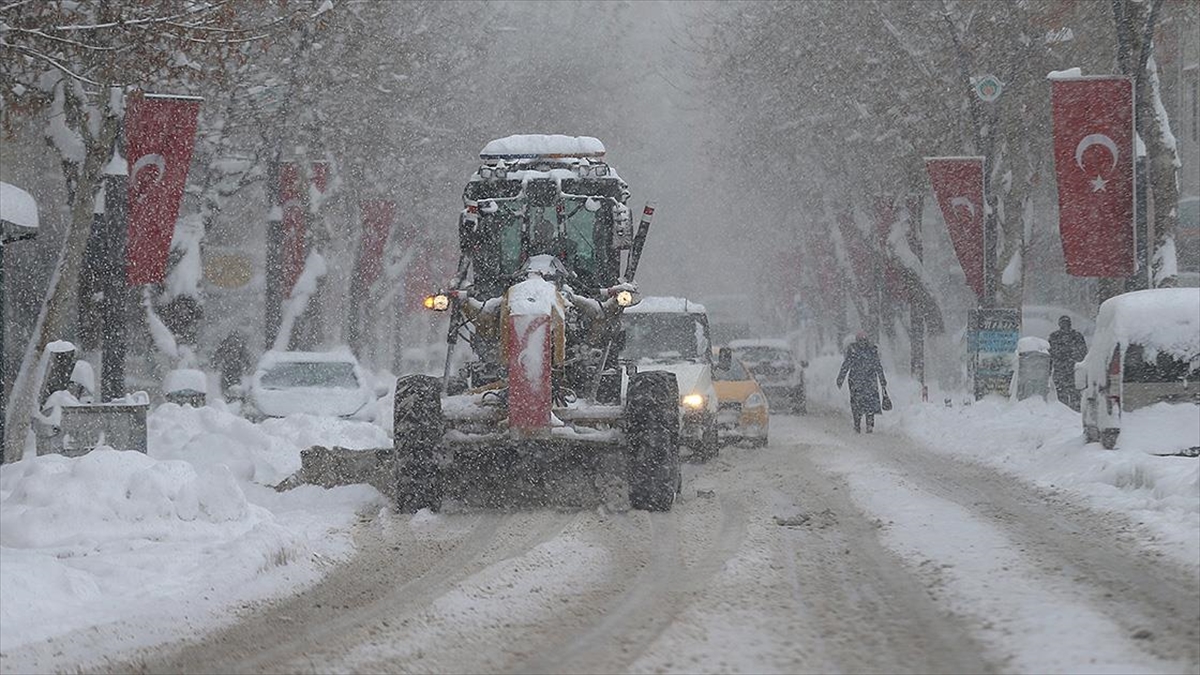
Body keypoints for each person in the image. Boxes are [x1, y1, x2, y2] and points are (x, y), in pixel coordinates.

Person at [836, 332, 888, 433]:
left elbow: (846, 365)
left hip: (857, 382)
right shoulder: (871, 351)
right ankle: (867, 425)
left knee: (858, 404)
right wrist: (882, 381)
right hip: (867, 382)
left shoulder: (854, 350)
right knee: (869, 405)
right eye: (861, 340)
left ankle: (859, 425)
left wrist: (841, 378)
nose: (863, 342)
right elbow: (878, 366)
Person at [1048, 315, 1087, 411]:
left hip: (1064, 368)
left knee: (1065, 392)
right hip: (1070, 368)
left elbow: (1050, 354)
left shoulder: (1055, 336)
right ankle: (1073, 409)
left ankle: (1066, 410)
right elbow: (1083, 352)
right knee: (1072, 392)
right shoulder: (1076, 336)